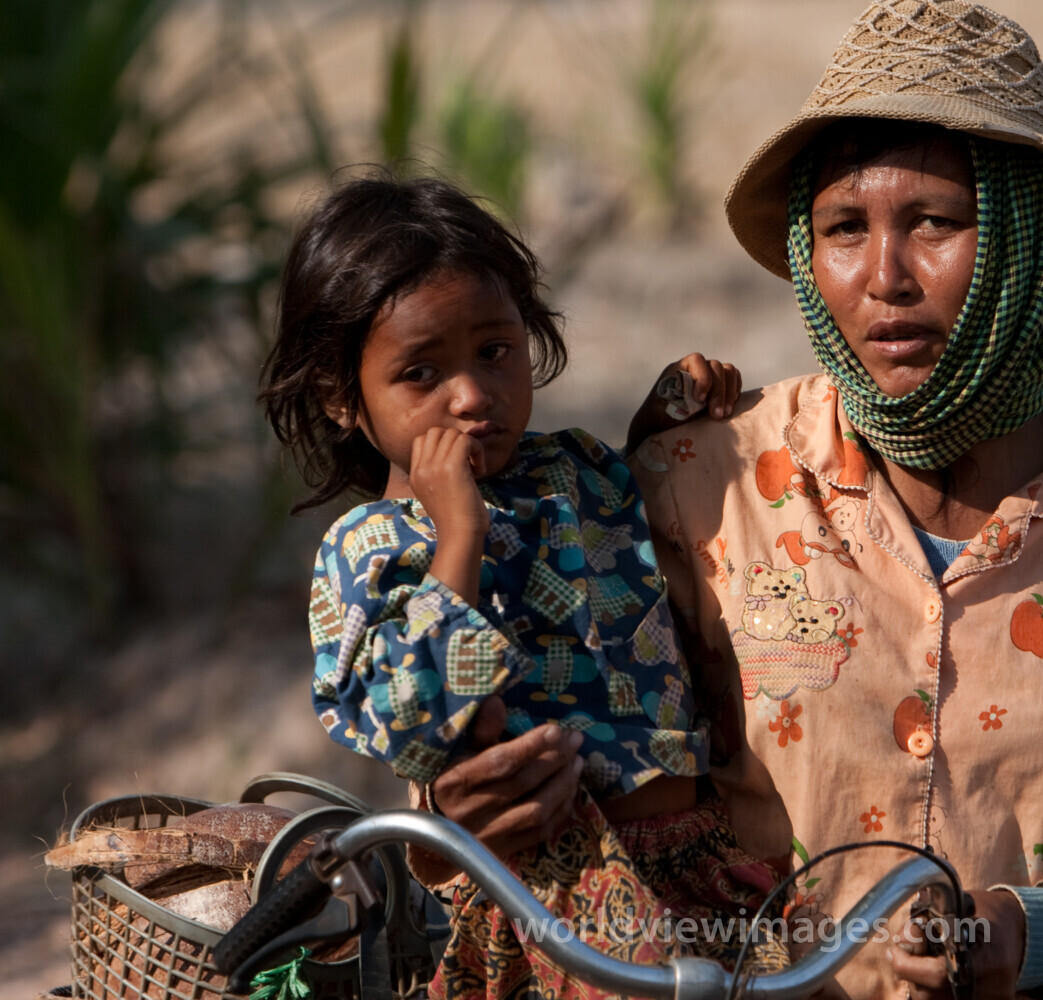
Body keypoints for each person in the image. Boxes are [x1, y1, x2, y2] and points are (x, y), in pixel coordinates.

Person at [432, 4, 1043, 998]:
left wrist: (1042, 932)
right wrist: (470, 814)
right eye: (842, 229)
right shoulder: (700, 485)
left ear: (1030, 241)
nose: (883, 279)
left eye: (937, 224)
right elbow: (572, 761)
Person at [259, 170, 785, 1000]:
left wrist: (662, 420)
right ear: (339, 395)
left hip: (696, 860)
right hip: (546, 896)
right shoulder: (370, 548)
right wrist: (458, 534)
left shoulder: (571, 468)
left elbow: (630, 522)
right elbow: (416, 725)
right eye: (421, 374)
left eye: (495, 352)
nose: (472, 396)